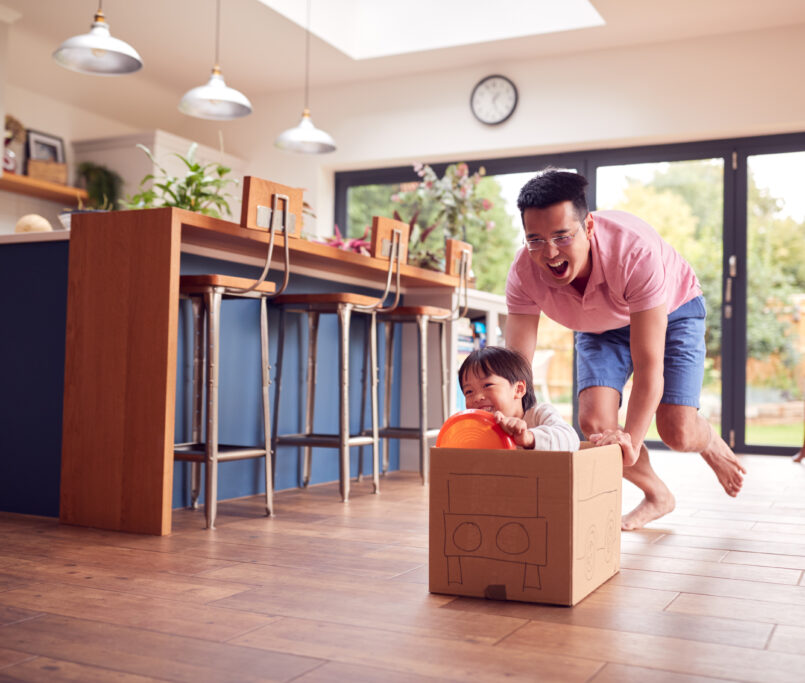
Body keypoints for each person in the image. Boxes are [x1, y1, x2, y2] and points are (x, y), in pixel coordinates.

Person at [504, 169, 746, 530]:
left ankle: (708, 440)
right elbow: (516, 371)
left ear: (587, 228)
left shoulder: (634, 252)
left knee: (676, 432)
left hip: (673, 309)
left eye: (561, 236)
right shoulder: (524, 273)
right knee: (597, 425)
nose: (549, 253)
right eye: (535, 240)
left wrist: (631, 438)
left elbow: (649, 367)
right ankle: (657, 494)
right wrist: (512, 423)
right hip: (600, 327)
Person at [459, 346, 580, 451]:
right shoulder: (474, 429)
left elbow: (572, 440)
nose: (477, 397)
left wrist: (529, 437)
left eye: (487, 385)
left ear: (519, 389)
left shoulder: (538, 414)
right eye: (469, 391)